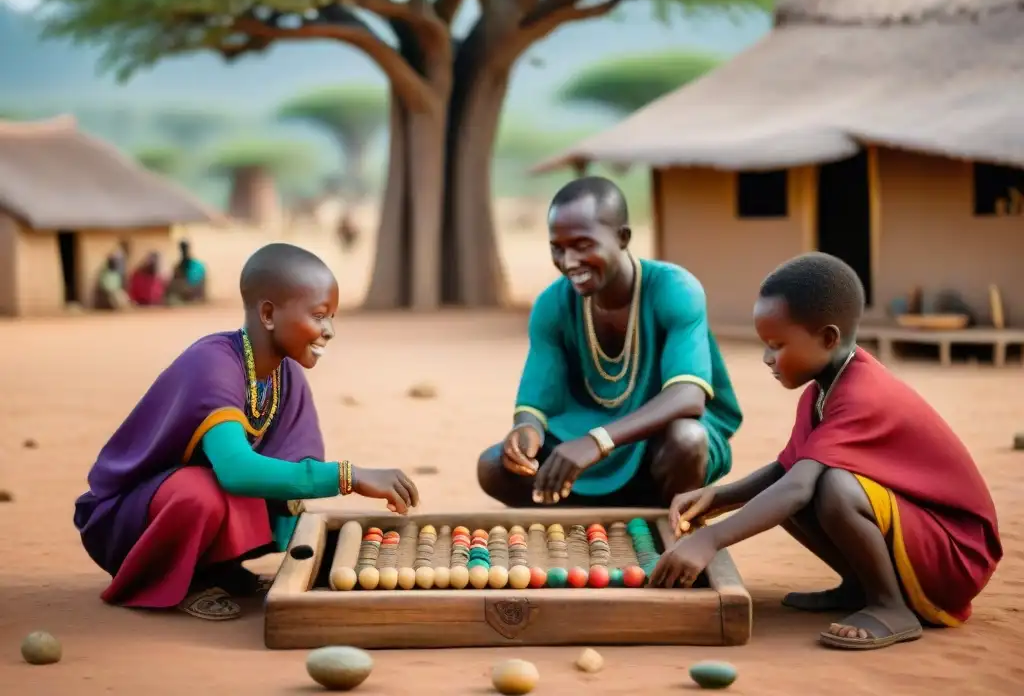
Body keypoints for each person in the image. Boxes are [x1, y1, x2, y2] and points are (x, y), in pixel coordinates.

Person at [650, 252, 1002, 652]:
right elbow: (788, 471)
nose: (767, 358)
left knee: (832, 486)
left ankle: (891, 606)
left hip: (955, 557)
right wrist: (719, 496)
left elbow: (797, 487)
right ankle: (861, 587)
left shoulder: (862, 393)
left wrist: (710, 540)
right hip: (924, 539)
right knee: (801, 485)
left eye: (777, 345)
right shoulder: (823, 390)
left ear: (828, 338)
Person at [74, 243, 420, 620]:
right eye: (319, 316)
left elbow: (297, 468)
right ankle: (178, 579)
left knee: (279, 487)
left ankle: (220, 570)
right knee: (202, 492)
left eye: (332, 317)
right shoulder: (214, 364)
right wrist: (349, 477)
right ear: (269, 313)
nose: (329, 331)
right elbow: (236, 470)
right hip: (130, 524)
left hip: (187, 503)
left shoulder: (285, 376)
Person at [477, 176, 742, 508]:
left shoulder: (674, 289)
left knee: (687, 440)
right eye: (557, 248)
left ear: (623, 237)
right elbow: (535, 403)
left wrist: (598, 441)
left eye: (583, 245)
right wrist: (526, 432)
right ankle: (592, 520)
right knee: (493, 466)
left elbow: (688, 397)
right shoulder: (552, 304)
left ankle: (671, 526)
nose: (569, 261)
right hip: (582, 448)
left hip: (654, 448)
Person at [166, 239, 207, 304]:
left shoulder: (196, 265)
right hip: (189, 287)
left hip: (192, 287)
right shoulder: (180, 264)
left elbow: (195, 279)